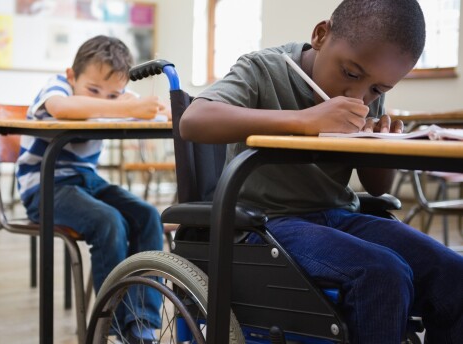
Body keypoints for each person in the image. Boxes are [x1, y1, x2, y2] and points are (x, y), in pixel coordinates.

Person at [180, 0, 463, 343]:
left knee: (453, 274)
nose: (358, 94)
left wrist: (383, 144)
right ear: (320, 35)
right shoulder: (265, 68)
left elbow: (377, 187)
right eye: (351, 73)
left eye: (378, 89)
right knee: (382, 274)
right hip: (268, 222)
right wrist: (305, 120)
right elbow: (194, 121)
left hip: (340, 216)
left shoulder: (367, 96)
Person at [15, 35, 165, 343]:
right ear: (72, 76)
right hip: (45, 186)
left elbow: (158, 113)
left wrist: (148, 108)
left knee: (148, 216)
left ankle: (142, 324)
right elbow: (62, 108)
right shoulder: (57, 86)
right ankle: (109, 328)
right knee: (107, 220)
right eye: (93, 90)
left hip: (87, 181)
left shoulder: (119, 97)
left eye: (113, 95)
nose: (104, 99)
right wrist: (125, 107)